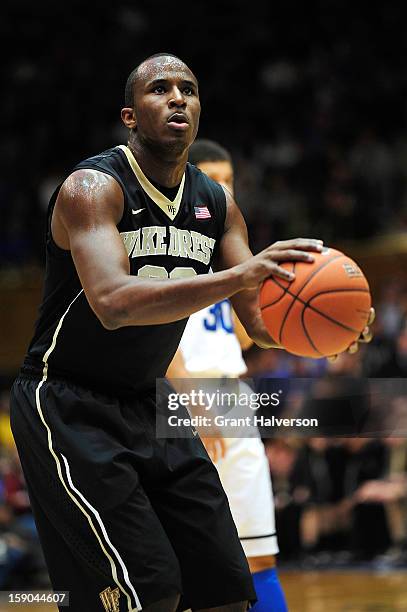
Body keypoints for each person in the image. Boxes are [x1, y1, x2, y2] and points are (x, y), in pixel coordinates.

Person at [9, 52, 371, 612]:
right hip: (67, 402)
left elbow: (259, 323)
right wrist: (238, 274)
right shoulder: (92, 188)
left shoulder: (218, 203)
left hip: (152, 402)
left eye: (189, 89)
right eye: (160, 89)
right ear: (130, 116)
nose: (178, 97)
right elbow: (113, 303)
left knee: (226, 586)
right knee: (145, 592)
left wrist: (327, 334)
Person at [167, 139, 288, 612]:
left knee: (259, 556)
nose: (222, 189)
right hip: (181, 397)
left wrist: (324, 335)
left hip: (232, 395)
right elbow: (156, 340)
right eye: (211, 179)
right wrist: (190, 401)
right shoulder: (165, 243)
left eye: (229, 180)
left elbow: (243, 336)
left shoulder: (232, 250)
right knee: (183, 564)